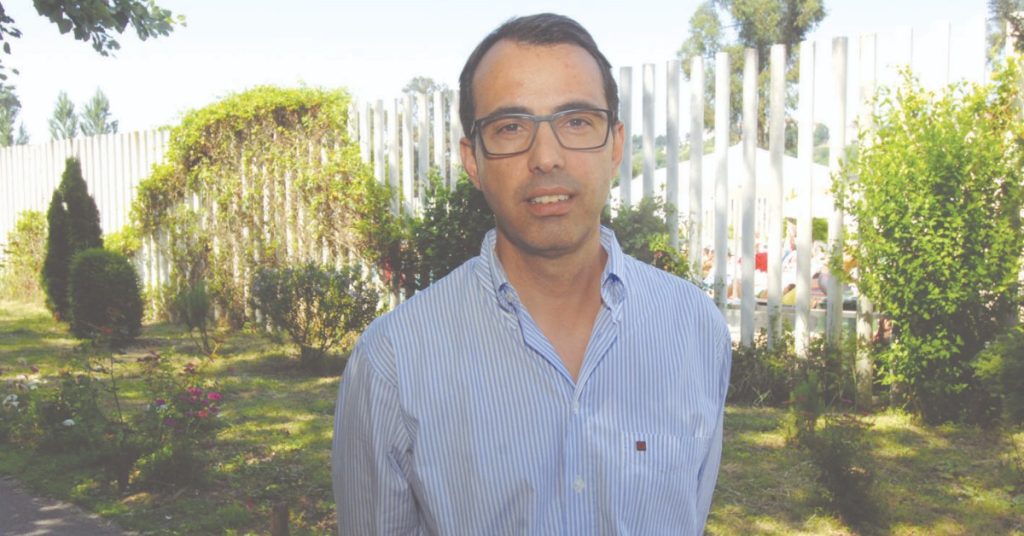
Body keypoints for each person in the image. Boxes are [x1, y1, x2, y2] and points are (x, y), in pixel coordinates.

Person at [332, 13, 731, 535]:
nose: (546, 157)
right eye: (511, 127)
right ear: (473, 160)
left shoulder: (695, 329)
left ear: (615, 146)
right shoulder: (392, 362)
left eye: (576, 121)